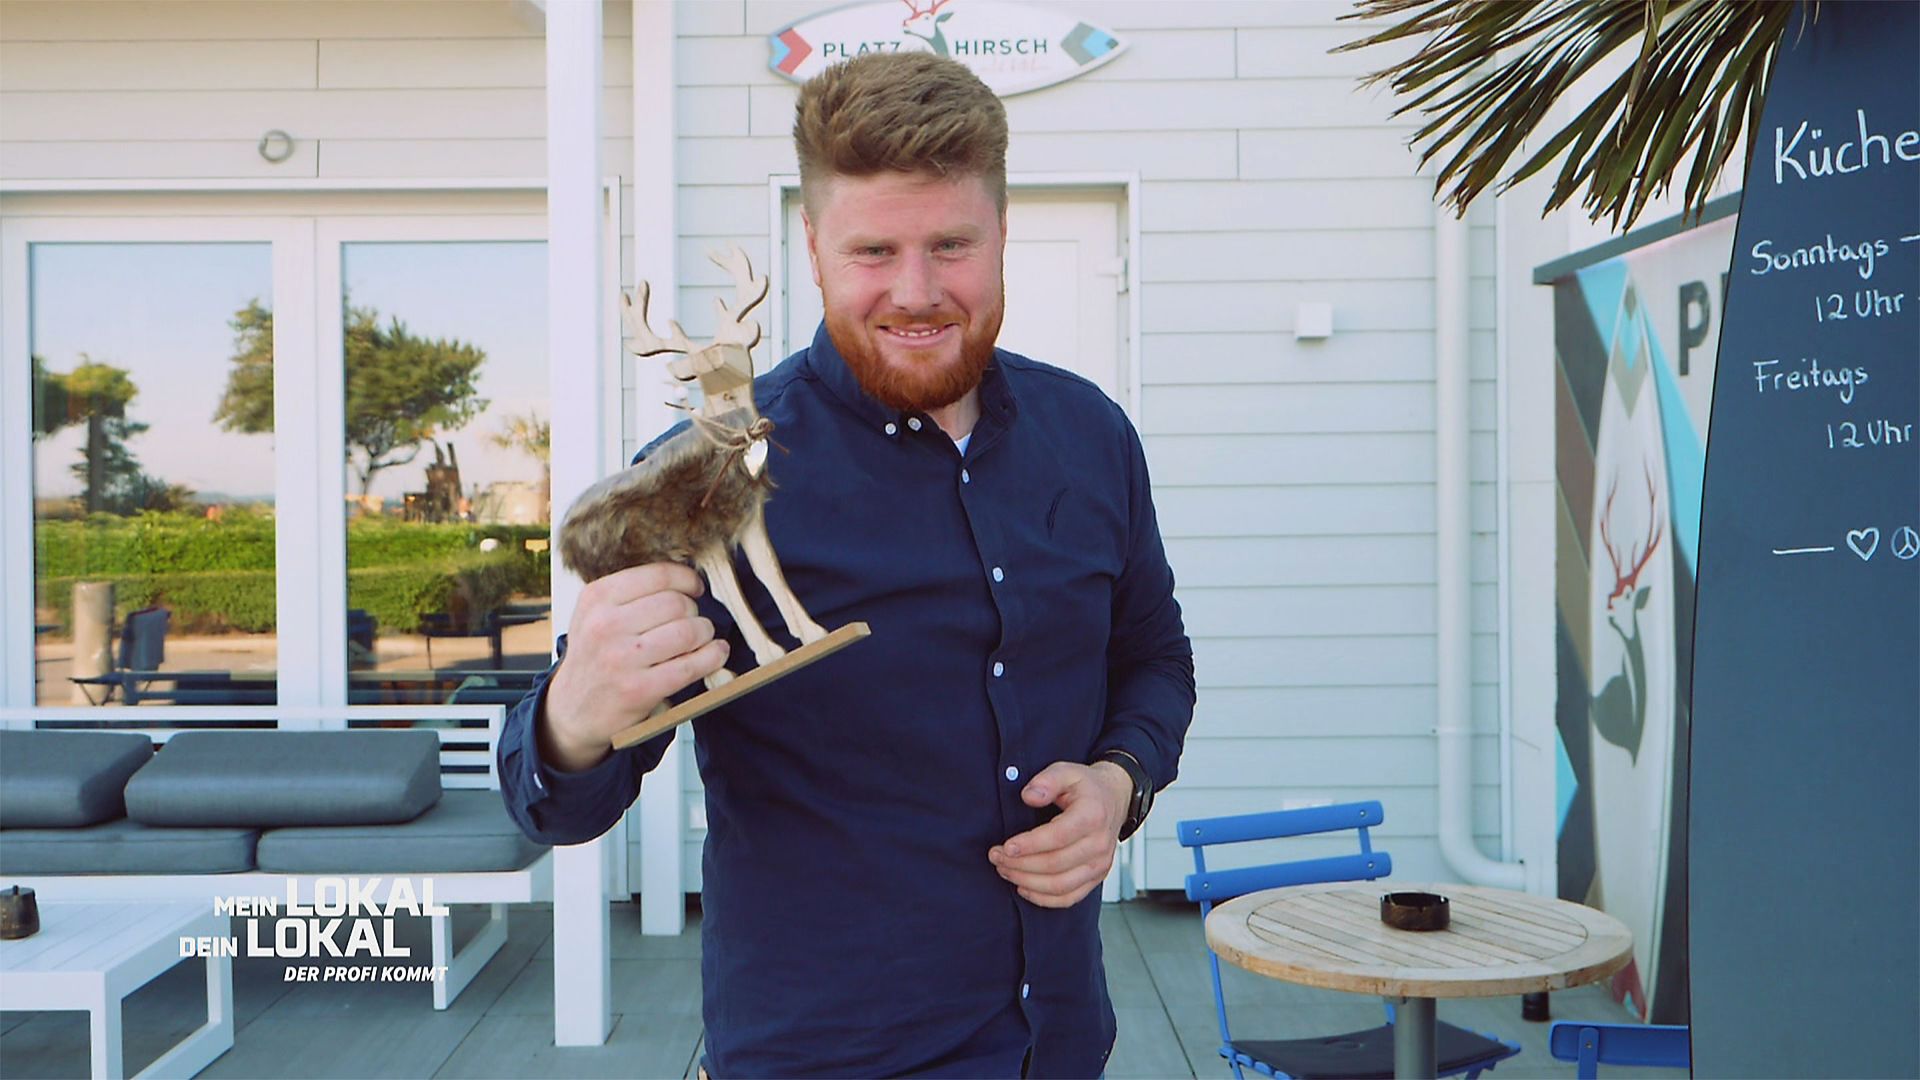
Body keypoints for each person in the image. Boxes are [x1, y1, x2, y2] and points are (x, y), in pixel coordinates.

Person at [499, 52, 1194, 1078]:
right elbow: (554, 802)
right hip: (820, 1053)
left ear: (1002, 237)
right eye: (874, 251)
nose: (916, 292)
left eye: (952, 244)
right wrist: (573, 713)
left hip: (1060, 1043)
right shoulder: (703, 476)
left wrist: (1116, 781)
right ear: (816, 251)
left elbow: (1154, 659)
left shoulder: (1090, 435)